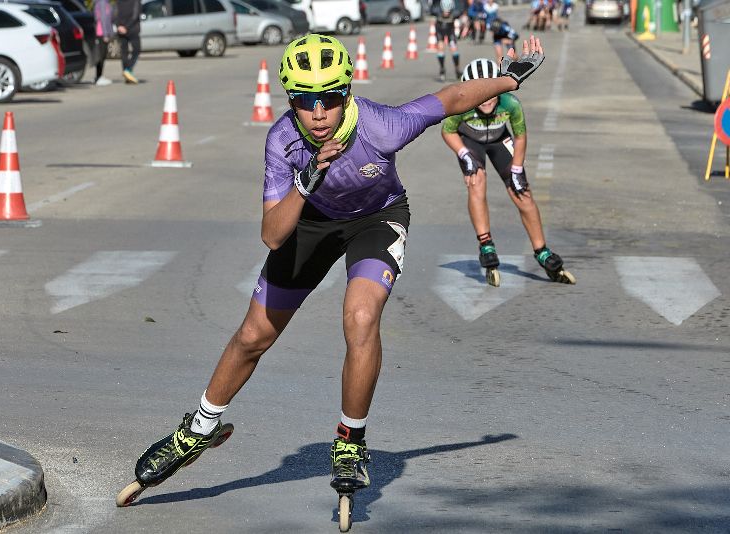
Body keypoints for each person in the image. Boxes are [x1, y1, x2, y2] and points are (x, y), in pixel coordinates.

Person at [125, 34, 546, 505]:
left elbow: (449, 99)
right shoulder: (282, 141)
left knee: (361, 317)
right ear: (291, 102)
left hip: (376, 218)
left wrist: (509, 79)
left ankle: (350, 440)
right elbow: (271, 234)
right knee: (253, 336)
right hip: (307, 221)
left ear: (347, 93)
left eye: (331, 99)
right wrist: (306, 181)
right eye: (306, 103)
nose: (320, 113)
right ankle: (198, 429)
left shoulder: (381, 126)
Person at [441, 58, 574, 286]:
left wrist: (517, 168)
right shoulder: (460, 106)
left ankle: (541, 250)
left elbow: (520, 136)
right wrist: (463, 154)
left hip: (501, 140)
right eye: (480, 95)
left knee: (521, 190)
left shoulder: (510, 103)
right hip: (470, 142)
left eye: (491, 93)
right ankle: (486, 244)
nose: (486, 100)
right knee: (476, 181)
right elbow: (448, 132)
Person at [431, 0, 464, 81]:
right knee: (441, 48)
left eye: (448, 12)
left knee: (454, 49)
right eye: (444, 12)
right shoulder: (436, 10)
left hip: (450, 31)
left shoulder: (456, 12)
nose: (446, 14)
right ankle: (442, 69)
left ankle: (457, 69)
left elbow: (462, 9)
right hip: (440, 31)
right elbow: (431, 8)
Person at [115, 0, 141, 83]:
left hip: (121, 29)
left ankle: (127, 75)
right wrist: (125, 27)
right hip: (132, 29)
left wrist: (119, 26)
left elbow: (115, 15)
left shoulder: (118, 2)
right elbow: (135, 15)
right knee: (136, 50)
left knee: (124, 52)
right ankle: (128, 70)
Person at [92, 0, 114, 85]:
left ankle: (98, 76)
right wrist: (106, 34)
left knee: (100, 56)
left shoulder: (101, 2)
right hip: (102, 33)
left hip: (100, 32)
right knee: (101, 56)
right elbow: (104, 19)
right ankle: (99, 77)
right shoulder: (103, 3)